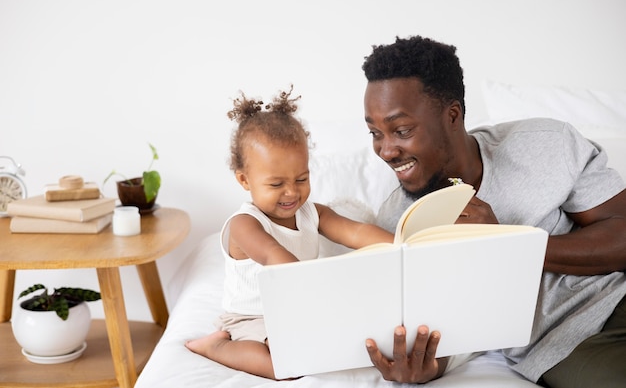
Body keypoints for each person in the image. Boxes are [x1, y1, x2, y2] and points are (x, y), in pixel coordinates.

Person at [360, 35, 626, 387]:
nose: (386, 150)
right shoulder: (396, 224)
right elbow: (445, 329)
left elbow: (621, 230)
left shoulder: (545, 143)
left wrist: (509, 244)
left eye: (402, 130)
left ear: (452, 115)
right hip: (566, 345)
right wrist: (427, 368)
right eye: (375, 133)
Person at [185, 86, 393, 380]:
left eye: (301, 178)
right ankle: (217, 346)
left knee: (328, 343)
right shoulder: (244, 224)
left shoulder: (312, 213)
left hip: (297, 305)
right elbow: (274, 257)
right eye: (276, 184)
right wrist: (317, 290)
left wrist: (400, 244)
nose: (291, 192)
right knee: (286, 367)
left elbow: (356, 232)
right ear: (245, 180)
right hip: (252, 317)